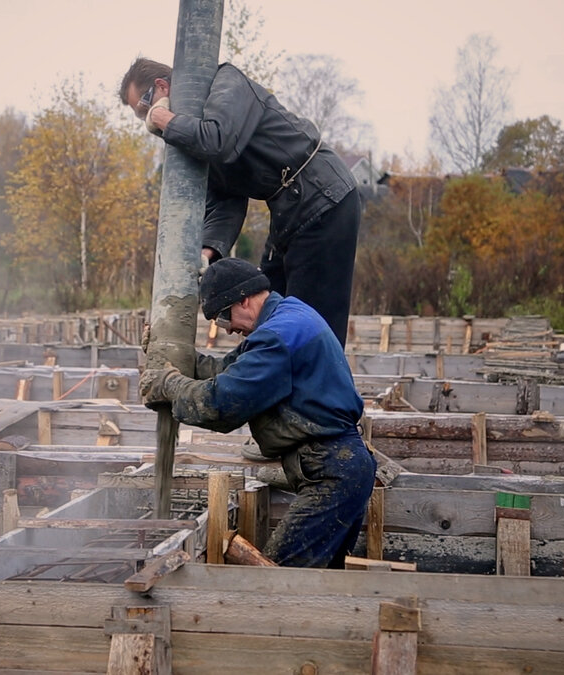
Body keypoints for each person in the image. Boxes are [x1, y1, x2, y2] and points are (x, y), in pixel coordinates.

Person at [140, 257, 376, 568]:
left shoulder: (276, 337)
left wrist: (170, 384)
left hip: (332, 472)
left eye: (224, 319)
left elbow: (220, 403)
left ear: (245, 300)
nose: (228, 330)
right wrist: (175, 355)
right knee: (316, 583)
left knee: (275, 584)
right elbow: (228, 371)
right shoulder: (286, 318)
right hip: (339, 465)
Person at [120, 57, 360, 347]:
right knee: (267, 305)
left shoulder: (227, 81)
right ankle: (266, 384)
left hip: (323, 197)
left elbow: (218, 140)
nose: (147, 119)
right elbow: (226, 199)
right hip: (288, 209)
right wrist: (207, 252)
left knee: (309, 321)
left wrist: (164, 120)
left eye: (146, 107)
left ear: (162, 86)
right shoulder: (194, 132)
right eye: (141, 116)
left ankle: (320, 388)